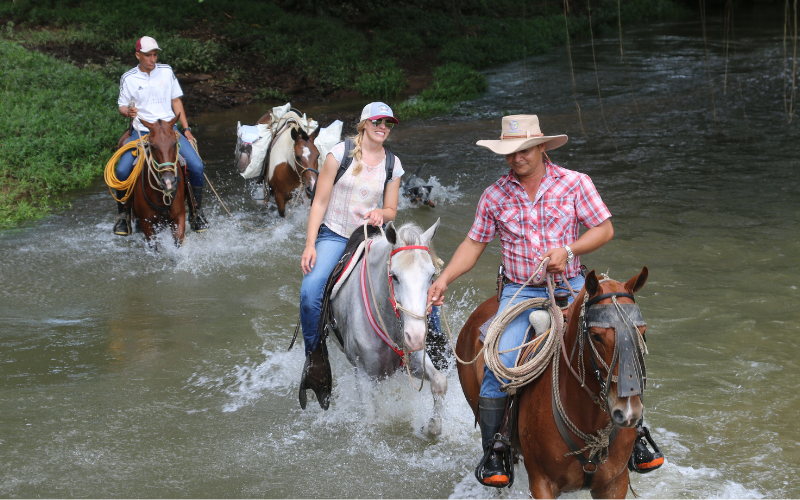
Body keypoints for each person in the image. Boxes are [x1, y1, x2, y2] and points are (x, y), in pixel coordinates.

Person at [426, 115, 614, 487]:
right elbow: (473, 244)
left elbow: (604, 229)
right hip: (519, 290)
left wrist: (568, 248)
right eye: (509, 152)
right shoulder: (495, 194)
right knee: (501, 360)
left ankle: (635, 435)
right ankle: (496, 451)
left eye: (523, 150)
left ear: (542, 147)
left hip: (573, 283)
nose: (516, 158)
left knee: (616, 341)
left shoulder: (576, 183)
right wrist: (444, 278)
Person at [298, 102, 404, 403]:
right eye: (377, 122)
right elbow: (319, 202)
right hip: (335, 234)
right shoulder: (338, 154)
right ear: (364, 124)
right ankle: (316, 361)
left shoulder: (392, 164)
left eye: (388, 123)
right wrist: (310, 244)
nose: (383, 127)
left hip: (372, 236)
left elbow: (392, 208)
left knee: (413, 272)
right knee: (310, 294)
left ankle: (432, 344)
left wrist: (381, 213)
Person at [113, 36, 209, 236]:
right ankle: (124, 216)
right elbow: (122, 105)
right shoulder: (128, 77)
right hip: (143, 132)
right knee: (122, 171)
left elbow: (176, 101)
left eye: (155, 55)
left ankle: (196, 212)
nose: (152, 59)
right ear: (137, 55)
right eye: (148, 55)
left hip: (168, 131)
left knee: (197, 167)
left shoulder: (166, 71)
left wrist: (186, 128)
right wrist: (127, 112)